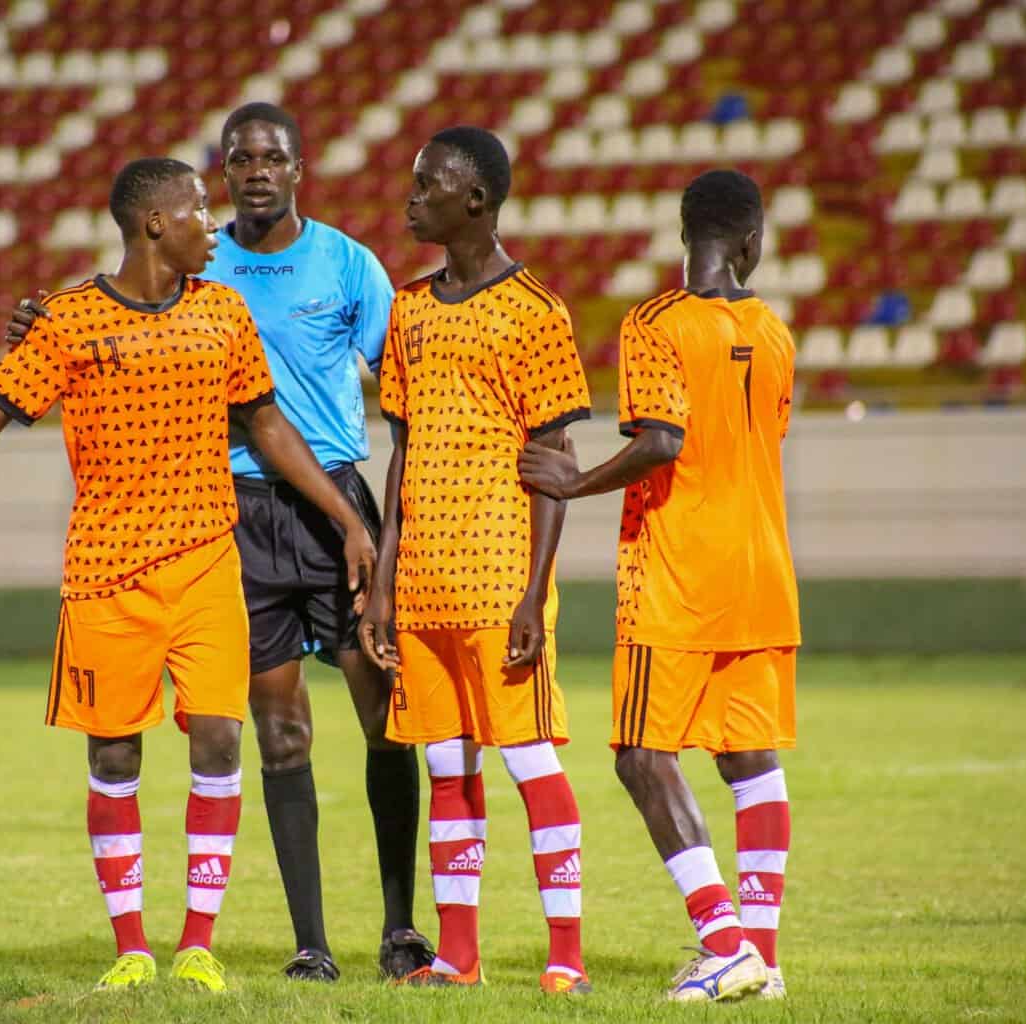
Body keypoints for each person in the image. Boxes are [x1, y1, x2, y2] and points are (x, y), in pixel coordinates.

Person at [0, 157, 377, 995]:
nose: (215, 220)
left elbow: (266, 424)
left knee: (218, 735)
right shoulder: (68, 321)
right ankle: (130, 947)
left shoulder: (222, 312)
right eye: (201, 209)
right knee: (115, 755)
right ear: (155, 223)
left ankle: (197, 944)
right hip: (105, 576)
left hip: (206, 564)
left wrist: (347, 519)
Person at [5, 102, 432, 983]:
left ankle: (399, 927)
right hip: (229, 510)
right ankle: (310, 942)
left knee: (384, 717)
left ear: (299, 168)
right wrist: (39, 330)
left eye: (272, 156)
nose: (254, 171)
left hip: (333, 497)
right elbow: (111, 313)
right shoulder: (198, 260)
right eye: (238, 158)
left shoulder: (347, 263)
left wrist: (378, 524)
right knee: (276, 730)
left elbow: (406, 382)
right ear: (219, 175)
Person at [517, 168, 800, 1002]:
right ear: (751, 241)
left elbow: (664, 440)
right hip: (762, 573)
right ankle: (765, 957)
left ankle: (723, 941)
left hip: (678, 572)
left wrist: (571, 483)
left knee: (641, 757)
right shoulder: (776, 331)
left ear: (686, 236)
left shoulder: (652, 323)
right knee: (750, 760)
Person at [359, 126, 593, 996]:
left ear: (476, 201)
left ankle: (565, 958)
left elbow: (554, 464)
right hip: (419, 585)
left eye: (427, 185)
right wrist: (382, 582)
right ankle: (458, 956)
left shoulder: (536, 310)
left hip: (500, 582)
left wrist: (535, 594)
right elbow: (402, 454)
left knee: (529, 758)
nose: (410, 197)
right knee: (445, 764)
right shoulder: (409, 309)